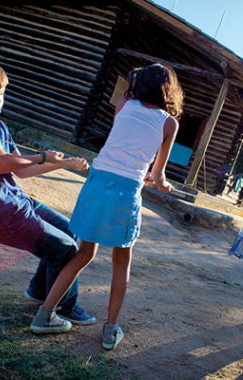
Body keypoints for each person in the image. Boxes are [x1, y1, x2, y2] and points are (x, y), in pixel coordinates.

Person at [29, 63, 183, 350]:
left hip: (97, 182)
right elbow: (158, 174)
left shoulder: (124, 104)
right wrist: (162, 185)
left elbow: (120, 145)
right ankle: (110, 330)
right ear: (168, 90)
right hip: (125, 192)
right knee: (121, 261)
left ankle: (44, 314)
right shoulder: (169, 123)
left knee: (84, 252)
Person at [0, 55, 95, 326]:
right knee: (65, 249)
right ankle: (61, 308)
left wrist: (60, 163)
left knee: (71, 232)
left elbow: (22, 170)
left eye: (1, 94)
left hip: (17, 201)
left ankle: (40, 291)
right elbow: (0, 162)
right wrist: (42, 157)